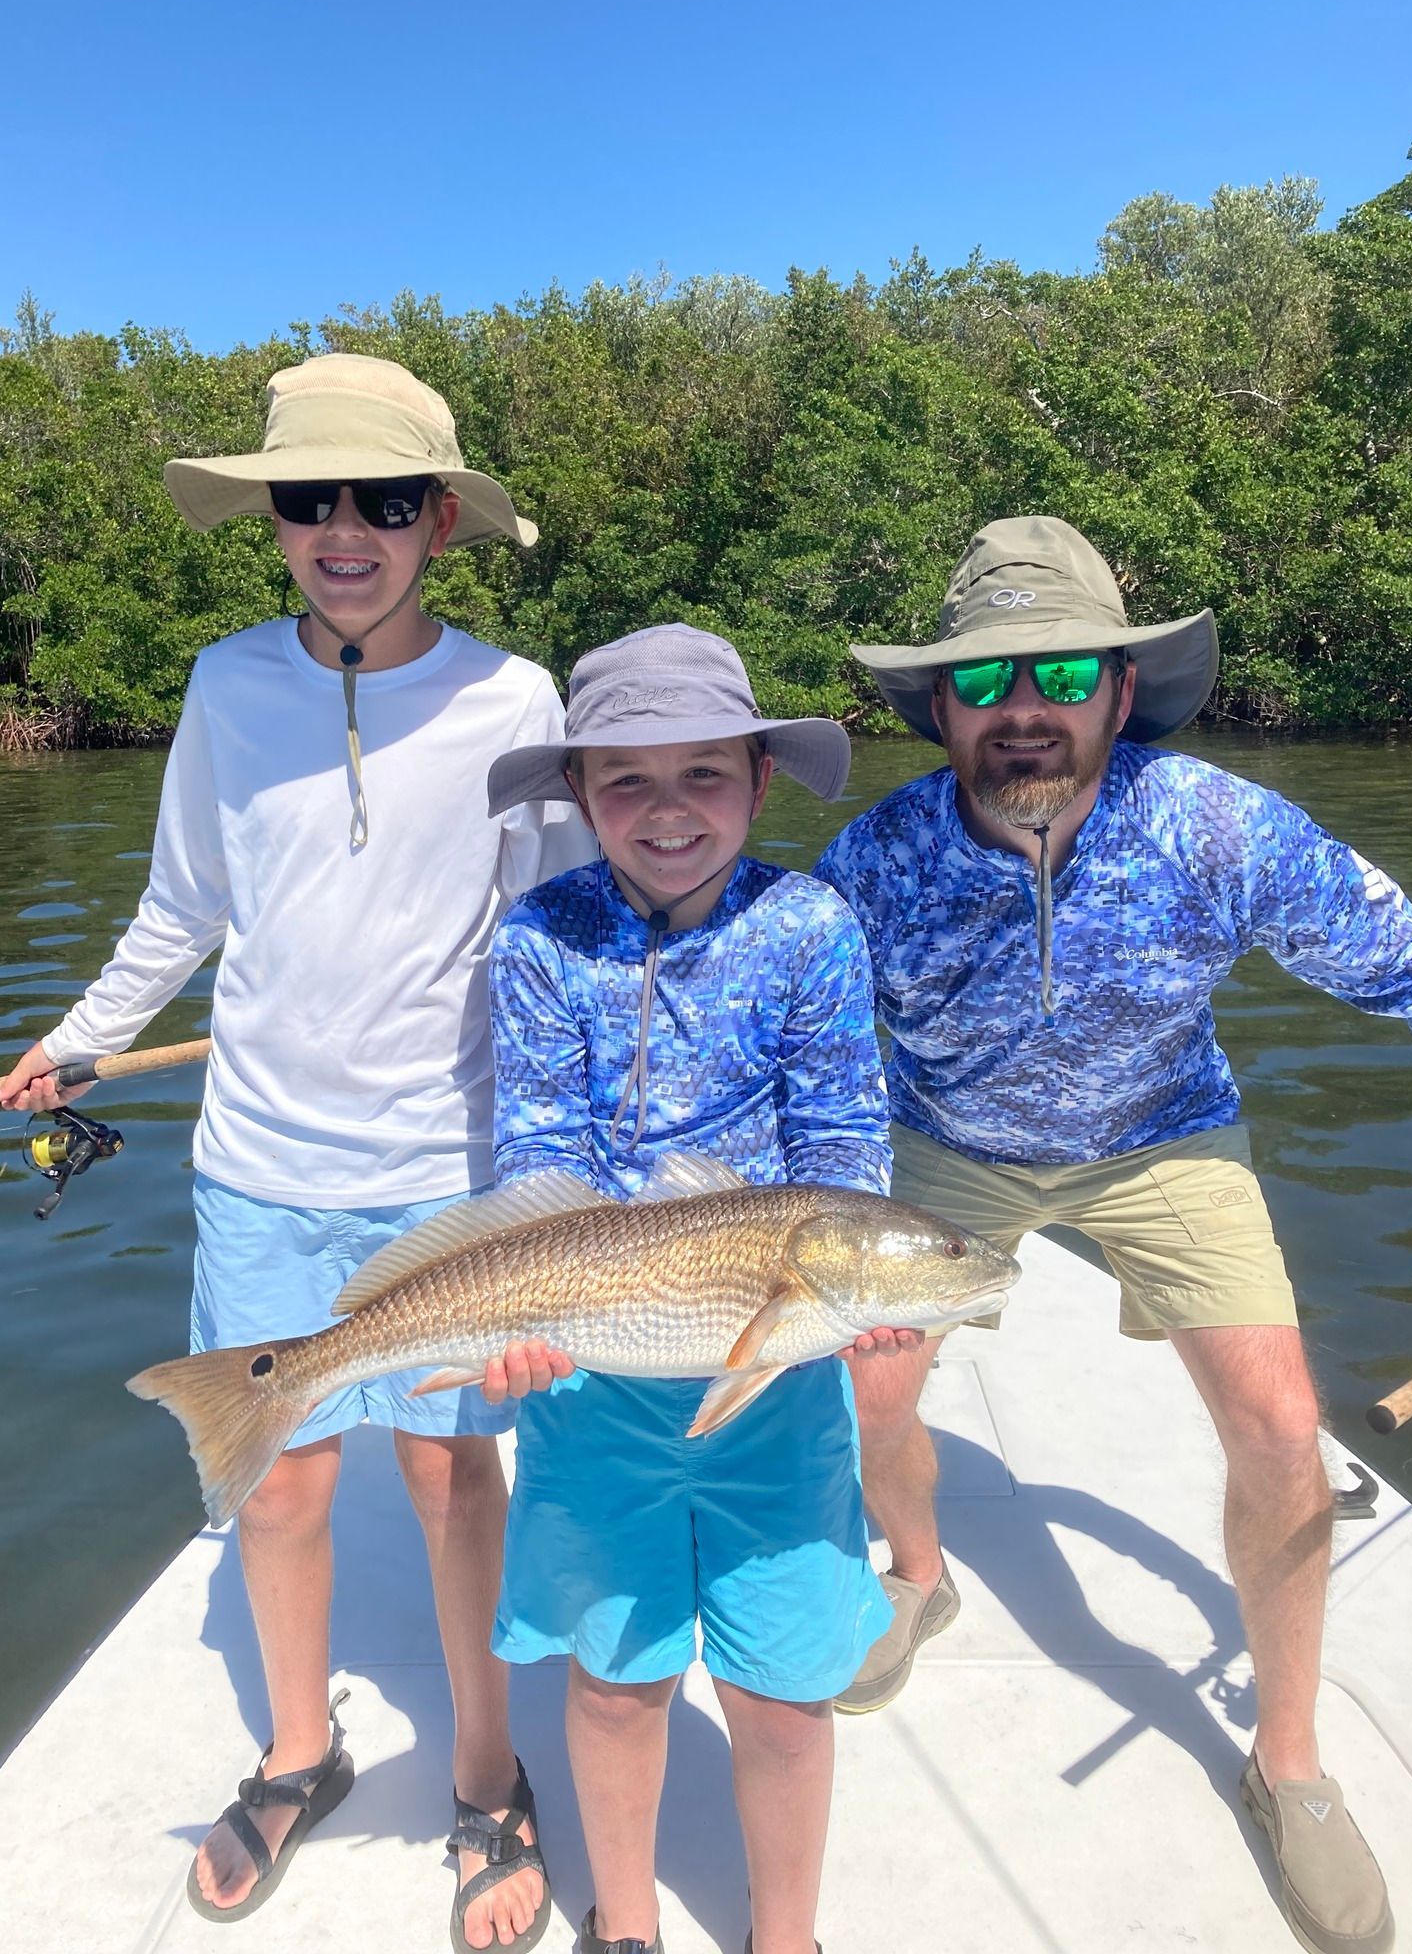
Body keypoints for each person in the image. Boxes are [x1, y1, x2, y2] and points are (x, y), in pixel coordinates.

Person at [0, 353, 589, 1949]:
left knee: (456, 1478)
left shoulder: (514, 700)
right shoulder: (222, 684)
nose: (345, 531)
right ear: (273, 523)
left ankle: (483, 1777)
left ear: (439, 524)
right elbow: (183, 906)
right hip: (257, 1162)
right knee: (275, 1491)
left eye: (382, 503)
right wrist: (82, 1037)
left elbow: (568, 927)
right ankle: (300, 1755)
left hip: (447, 1167)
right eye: (309, 500)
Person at [816, 515, 1412, 1954]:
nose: (1021, 711)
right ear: (940, 708)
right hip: (946, 1143)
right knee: (865, 1383)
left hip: (1166, 1138)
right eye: (983, 684)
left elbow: (1408, 958)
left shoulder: (1214, 825)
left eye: (1060, 674)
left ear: (1117, 689)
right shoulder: (878, 860)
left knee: (1285, 1428)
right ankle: (919, 1574)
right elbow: (805, 1043)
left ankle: (1288, 1761)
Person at [481, 623, 898, 1954]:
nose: (668, 813)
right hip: (593, 1386)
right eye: (627, 782)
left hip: (779, 1381)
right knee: (616, 1686)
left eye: (704, 777)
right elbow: (538, 1165)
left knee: (782, 1699)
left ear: (761, 784)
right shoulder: (541, 940)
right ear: (581, 798)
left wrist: (864, 1293)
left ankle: (788, 1935)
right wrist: (523, 1329)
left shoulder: (811, 927)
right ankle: (627, 1919)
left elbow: (843, 1151)